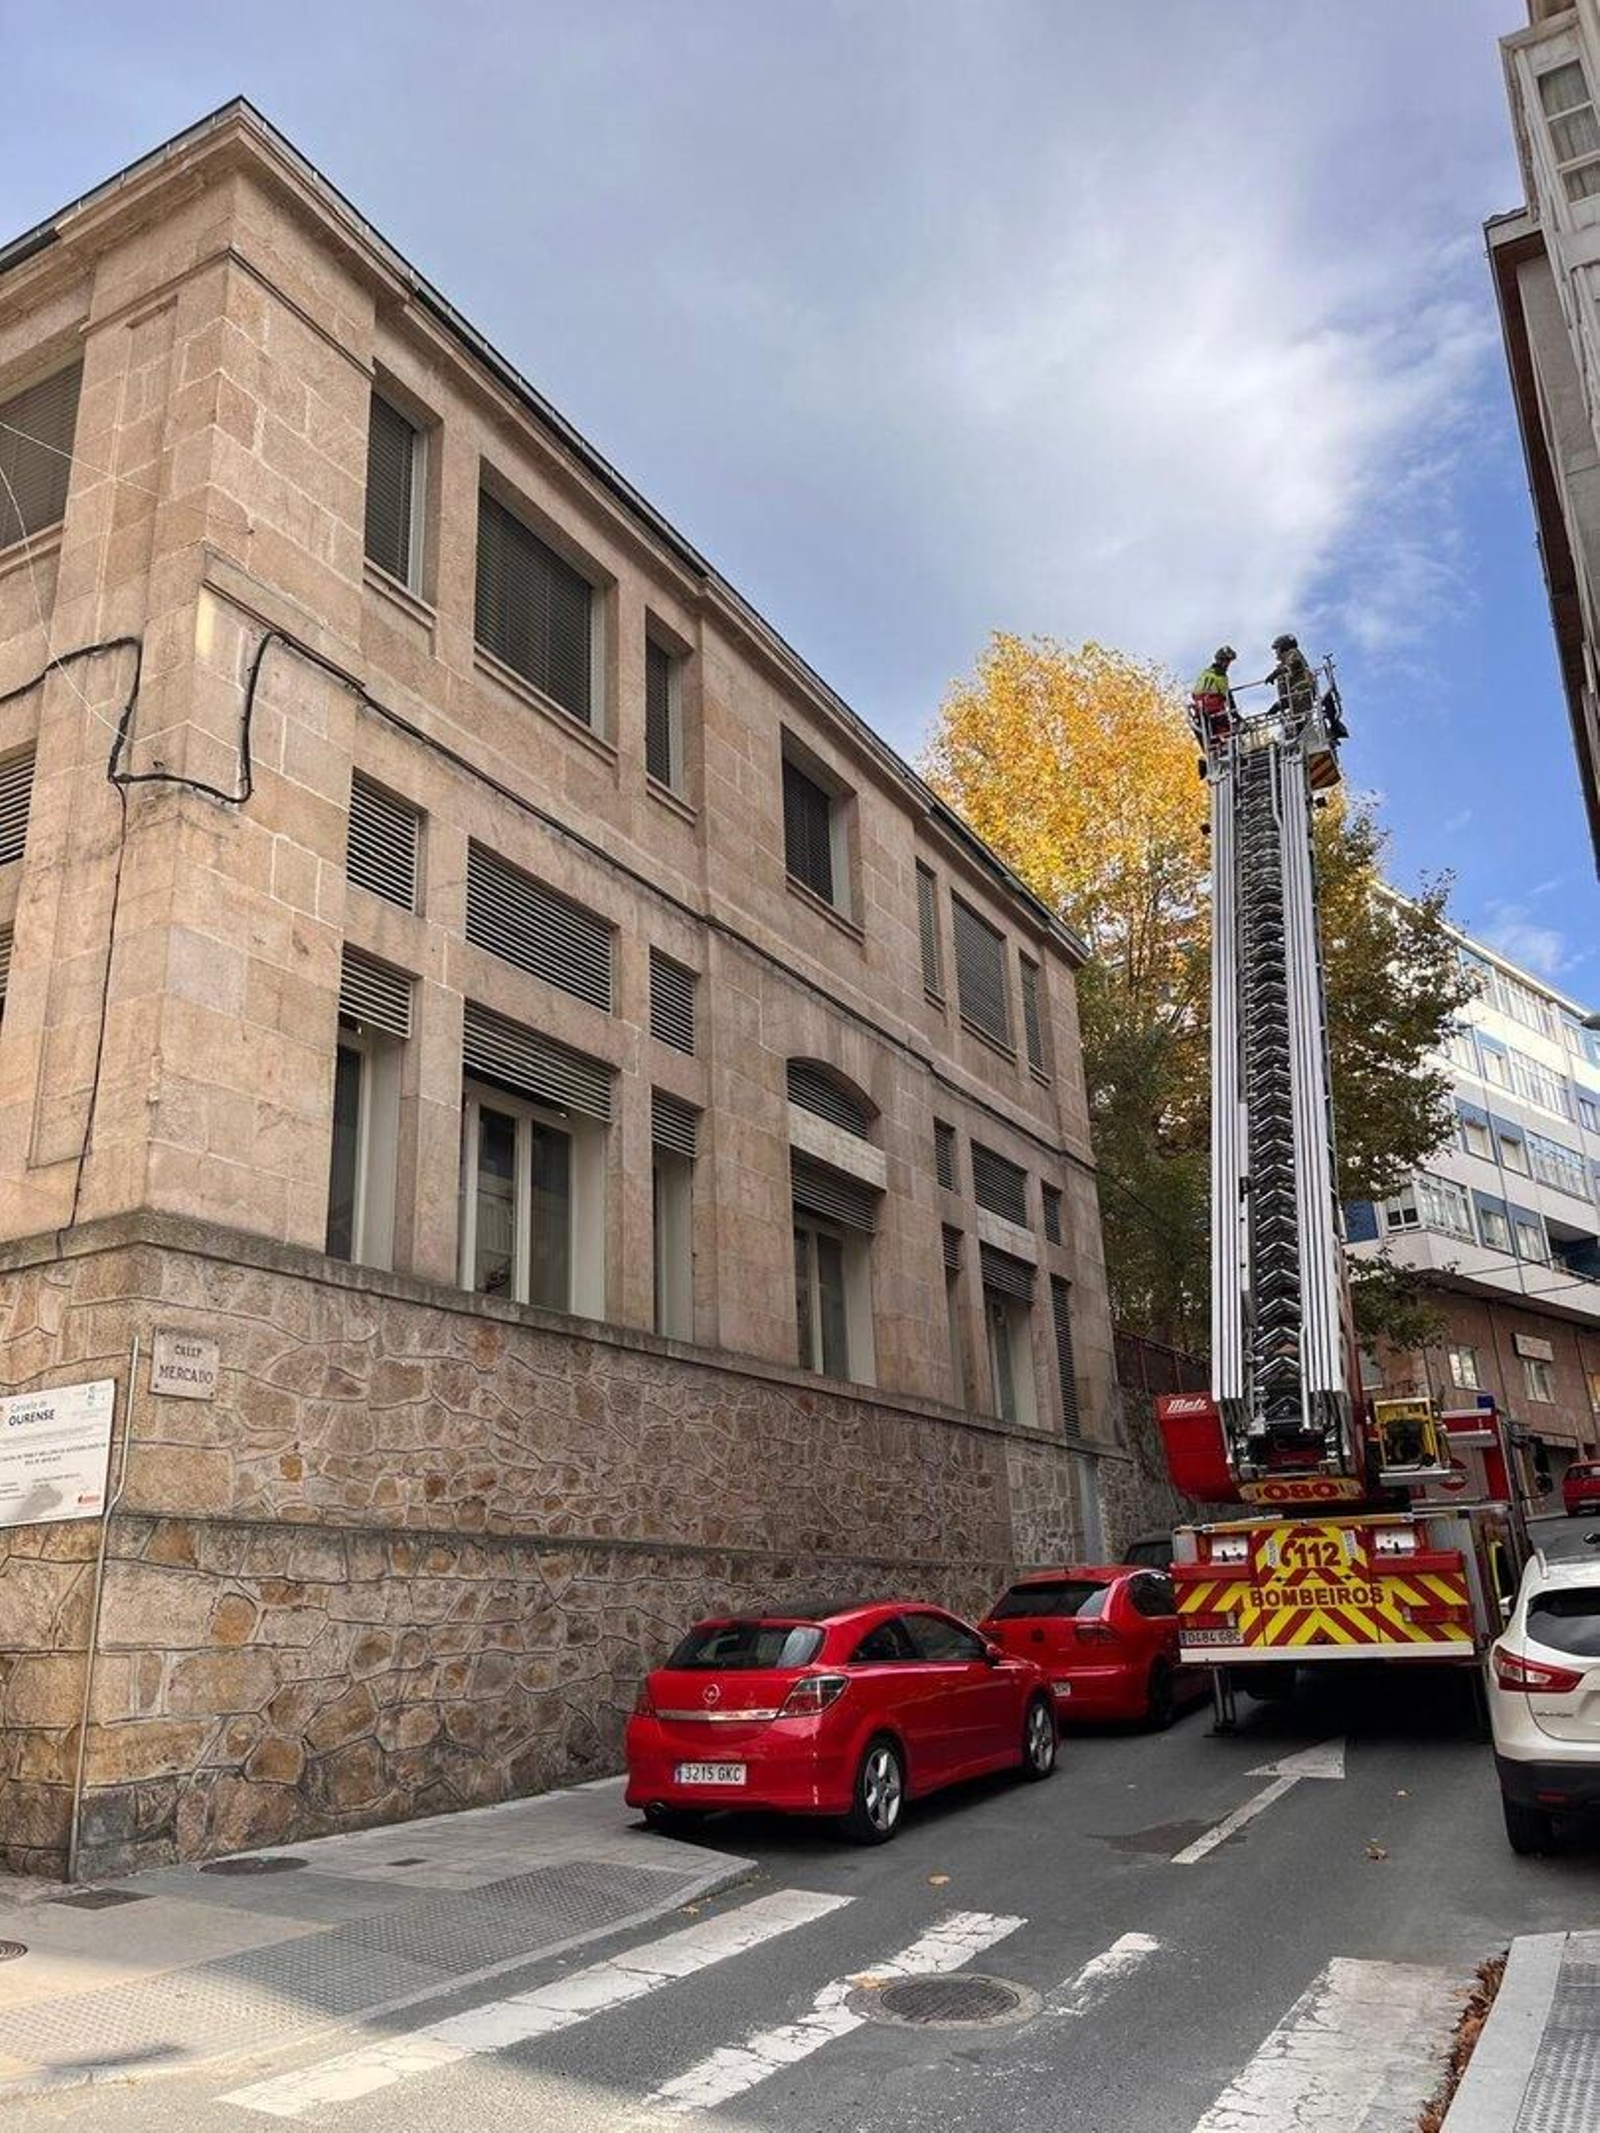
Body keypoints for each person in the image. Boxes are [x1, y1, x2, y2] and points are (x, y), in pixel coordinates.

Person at [1190, 645, 1237, 748]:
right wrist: (1235, 714)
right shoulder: (1221, 676)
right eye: (1227, 662)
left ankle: (1219, 749)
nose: (1228, 665)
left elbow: (1194, 693)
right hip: (1214, 711)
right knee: (1228, 733)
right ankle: (1228, 748)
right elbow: (1227, 696)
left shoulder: (1205, 673)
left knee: (1213, 738)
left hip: (1201, 712)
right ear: (1221, 661)